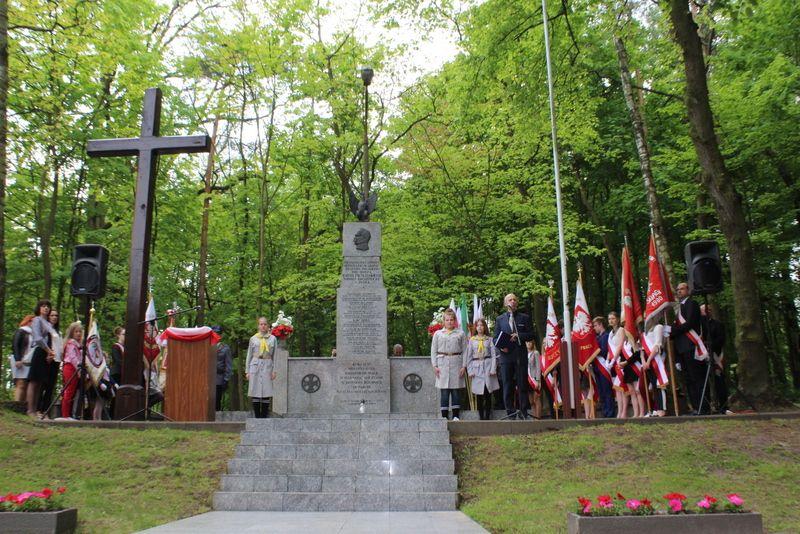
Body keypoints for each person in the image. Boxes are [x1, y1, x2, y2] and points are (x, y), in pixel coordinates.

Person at [494, 293, 534, 419]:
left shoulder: (524, 318)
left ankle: (523, 411)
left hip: (520, 355)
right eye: (510, 300)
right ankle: (510, 413)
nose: (512, 301)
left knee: (522, 384)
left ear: (517, 303)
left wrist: (519, 335)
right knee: (507, 385)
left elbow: (531, 334)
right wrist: (501, 346)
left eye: (514, 300)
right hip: (506, 356)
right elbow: (495, 338)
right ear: (505, 304)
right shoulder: (500, 319)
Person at [671, 282, 709, 415]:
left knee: (697, 378)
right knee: (688, 380)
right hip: (682, 349)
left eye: (681, 289)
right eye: (677, 289)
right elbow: (677, 331)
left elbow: (690, 324)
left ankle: (704, 408)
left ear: (688, 290)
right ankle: (695, 407)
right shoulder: (678, 309)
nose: (679, 291)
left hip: (691, 346)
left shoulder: (692, 304)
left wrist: (673, 330)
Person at [431, 308, 468, 420]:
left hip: (456, 362)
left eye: (451, 320)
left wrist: (464, 366)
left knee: (456, 390)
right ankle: (444, 416)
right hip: (442, 363)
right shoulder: (438, 334)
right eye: (447, 320)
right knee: (444, 391)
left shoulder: (460, 333)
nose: (449, 322)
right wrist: (435, 366)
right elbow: (433, 350)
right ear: (444, 321)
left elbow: (465, 350)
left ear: (454, 320)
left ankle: (456, 415)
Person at [466, 318, 499, 420]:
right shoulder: (472, 340)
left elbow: (493, 355)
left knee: (487, 392)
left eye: (482, 325)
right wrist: (470, 370)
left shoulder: (489, 339)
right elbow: (469, 357)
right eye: (478, 325)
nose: (480, 327)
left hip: (488, 366)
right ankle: (481, 417)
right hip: (476, 368)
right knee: (479, 393)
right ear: (475, 327)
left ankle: (487, 416)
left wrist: (493, 368)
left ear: (485, 327)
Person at [27, 300, 55, 418]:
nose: (46, 308)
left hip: (46, 353)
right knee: (34, 381)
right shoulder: (36, 320)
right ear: (39, 308)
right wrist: (48, 350)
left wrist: (50, 354)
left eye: (47, 306)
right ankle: (30, 410)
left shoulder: (48, 323)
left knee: (40, 383)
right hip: (39, 351)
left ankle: (36, 409)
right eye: (43, 306)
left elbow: (51, 339)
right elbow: (38, 338)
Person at [701, 305, 729, 414]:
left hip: (715, 355)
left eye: (708, 310)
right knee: (704, 383)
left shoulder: (718, 324)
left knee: (719, 382)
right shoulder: (699, 326)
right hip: (702, 357)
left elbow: (721, 339)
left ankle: (723, 406)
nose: (706, 312)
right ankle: (706, 407)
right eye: (703, 310)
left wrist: (709, 346)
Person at [247, 317, 276, 418]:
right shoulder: (253, 339)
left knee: (266, 391)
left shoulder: (273, 339)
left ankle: (264, 417)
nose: (263, 326)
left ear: (268, 326)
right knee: (255, 390)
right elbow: (249, 355)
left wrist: (274, 370)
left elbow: (275, 355)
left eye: (265, 324)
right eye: (261, 324)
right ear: (258, 326)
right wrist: (247, 371)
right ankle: (257, 416)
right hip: (255, 365)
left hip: (267, 365)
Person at [38, 308, 63, 417]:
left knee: (50, 387)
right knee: (42, 385)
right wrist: (48, 354)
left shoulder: (59, 332)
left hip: (56, 361)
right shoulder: (45, 330)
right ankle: (38, 409)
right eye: (52, 315)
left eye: (56, 315)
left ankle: (45, 411)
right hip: (47, 360)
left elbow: (60, 347)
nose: (54, 317)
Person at [592, 316, 616, 418]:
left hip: (604, 366)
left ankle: (610, 413)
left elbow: (604, 351)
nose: (594, 328)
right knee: (601, 391)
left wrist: (593, 351)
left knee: (607, 390)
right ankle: (605, 412)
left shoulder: (606, 336)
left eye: (595, 325)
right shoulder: (597, 338)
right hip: (597, 367)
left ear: (601, 325)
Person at [60, 321, 83, 419]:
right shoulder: (71, 344)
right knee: (69, 391)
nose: (78, 334)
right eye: (76, 332)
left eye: (80, 332)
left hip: (75, 368)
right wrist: (79, 369)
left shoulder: (78, 345)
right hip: (70, 368)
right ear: (71, 333)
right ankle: (65, 415)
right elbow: (73, 358)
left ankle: (68, 414)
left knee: (72, 391)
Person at [11, 315, 35, 402]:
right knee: (20, 383)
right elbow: (15, 345)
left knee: (26, 384)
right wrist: (18, 359)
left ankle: (23, 406)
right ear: (28, 321)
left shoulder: (34, 334)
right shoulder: (21, 331)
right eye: (33, 322)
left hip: (28, 361)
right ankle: (17, 404)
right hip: (19, 359)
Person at [214, 326, 233, 411]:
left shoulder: (225, 348)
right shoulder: (206, 346)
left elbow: (228, 364)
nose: (216, 335)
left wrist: (226, 379)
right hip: (208, 378)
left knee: (217, 399)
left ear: (221, 335)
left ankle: (217, 416)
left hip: (219, 377)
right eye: (214, 333)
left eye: (218, 333)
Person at [526, 339, 542, 419]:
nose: (528, 343)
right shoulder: (524, 354)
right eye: (527, 342)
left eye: (530, 342)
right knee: (531, 401)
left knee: (536, 399)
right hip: (528, 380)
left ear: (533, 343)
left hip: (535, 379)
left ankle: (538, 418)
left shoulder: (536, 353)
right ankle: (534, 418)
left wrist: (538, 381)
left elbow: (539, 367)